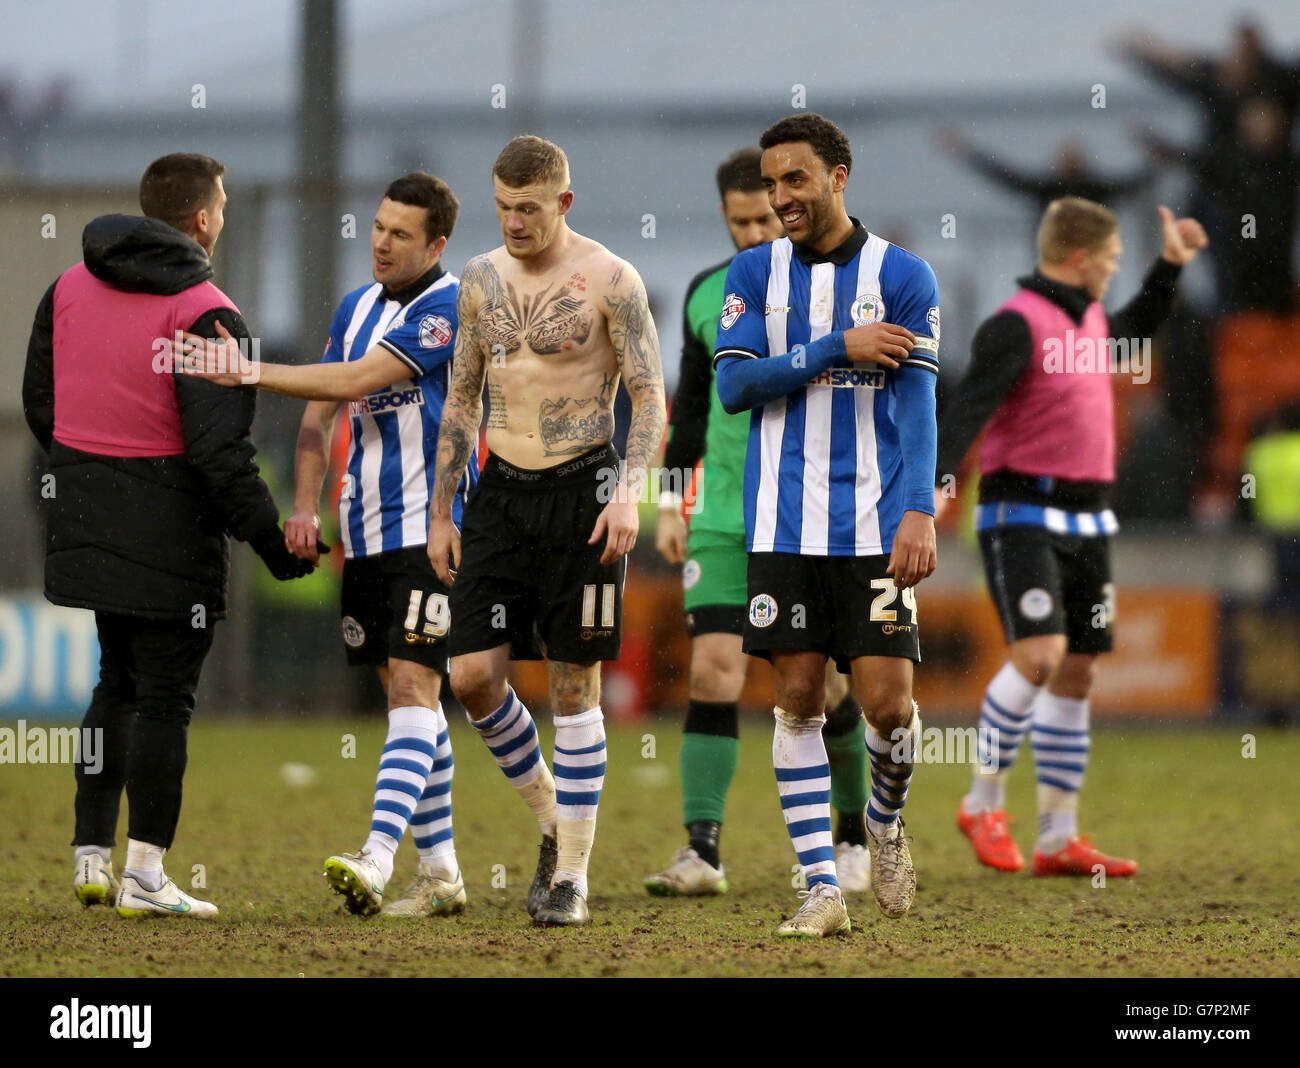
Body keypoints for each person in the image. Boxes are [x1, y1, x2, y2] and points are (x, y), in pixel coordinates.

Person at [21, 153, 313, 919]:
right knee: (164, 699)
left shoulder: (66, 289)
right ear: (203, 219)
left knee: (114, 682)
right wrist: (272, 544)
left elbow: (41, 408)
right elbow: (221, 456)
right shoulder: (207, 312)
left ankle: (91, 854)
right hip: (168, 530)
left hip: (86, 517)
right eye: (220, 205)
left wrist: (92, 473)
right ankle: (145, 874)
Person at [182, 173, 472, 918]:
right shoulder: (356, 307)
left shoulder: (450, 309)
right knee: (410, 700)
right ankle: (440, 871)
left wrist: (249, 370)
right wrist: (306, 504)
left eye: (401, 233)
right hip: (367, 533)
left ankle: (378, 857)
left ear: (436, 244)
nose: (380, 241)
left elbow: (357, 378)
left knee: (415, 689)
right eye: (378, 225)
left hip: (432, 530)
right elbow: (319, 416)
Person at [428, 135, 667, 927]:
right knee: (470, 676)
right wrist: (442, 510)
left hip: (584, 491)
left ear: (563, 202)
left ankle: (571, 876)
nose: (514, 222)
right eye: (502, 208)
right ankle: (551, 822)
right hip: (499, 494)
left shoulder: (611, 279)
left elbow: (648, 395)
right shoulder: (479, 279)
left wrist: (629, 494)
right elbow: (461, 395)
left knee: (573, 685)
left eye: (528, 208)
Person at [713, 114, 941, 937]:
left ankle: (883, 820)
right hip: (782, 525)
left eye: (796, 180)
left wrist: (920, 508)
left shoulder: (906, 275)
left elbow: (918, 401)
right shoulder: (752, 271)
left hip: (877, 524)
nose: (782, 199)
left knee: (888, 708)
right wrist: (834, 346)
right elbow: (735, 388)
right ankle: (819, 884)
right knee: (799, 697)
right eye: (773, 184)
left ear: (840, 176)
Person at [934, 197, 1207, 877]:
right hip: (1021, 511)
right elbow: (967, 409)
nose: (1114, 272)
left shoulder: (1086, 320)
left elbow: (1135, 326)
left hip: (1088, 517)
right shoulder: (1014, 325)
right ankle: (982, 802)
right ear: (1082, 257)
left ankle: (1058, 837)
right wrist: (933, 487)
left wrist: (1169, 266)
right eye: (1112, 260)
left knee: (1077, 671)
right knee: (1040, 655)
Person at [646, 147, 873, 897]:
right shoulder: (707, 293)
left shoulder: (829, 284)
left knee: (820, 690)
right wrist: (673, 502)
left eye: (764, 218)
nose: (752, 232)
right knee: (714, 666)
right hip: (720, 512)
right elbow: (689, 409)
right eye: (739, 220)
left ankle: (853, 833)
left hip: (806, 512)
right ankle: (703, 852)